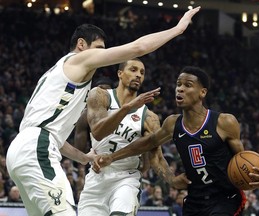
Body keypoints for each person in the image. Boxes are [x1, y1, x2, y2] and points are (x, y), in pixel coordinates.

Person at [5, 7, 201, 216]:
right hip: (37, 148)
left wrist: (84, 158)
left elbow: (54, 135)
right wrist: (177, 29)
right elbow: (138, 47)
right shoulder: (78, 60)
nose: (101, 53)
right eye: (98, 48)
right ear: (82, 44)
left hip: (21, 150)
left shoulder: (57, 76)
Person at [93, 66, 259, 215]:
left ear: (202, 93)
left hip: (225, 198)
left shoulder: (224, 122)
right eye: (178, 84)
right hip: (195, 199)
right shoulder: (173, 123)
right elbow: (147, 144)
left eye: (188, 85)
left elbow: (244, 158)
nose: (180, 88)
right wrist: (112, 157)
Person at [77, 58, 189, 215]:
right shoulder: (100, 96)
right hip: (96, 178)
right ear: (120, 73)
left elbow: (155, 157)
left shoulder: (149, 117)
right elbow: (98, 131)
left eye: (142, 73)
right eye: (133, 70)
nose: (138, 75)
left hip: (126, 177)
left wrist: (172, 180)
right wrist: (127, 107)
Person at [74, 76, 113, 153]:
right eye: (99, 89)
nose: (102, 93)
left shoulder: (123, 108)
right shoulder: (86, 114)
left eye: (106, 90)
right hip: (97, 157)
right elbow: (80, 148)